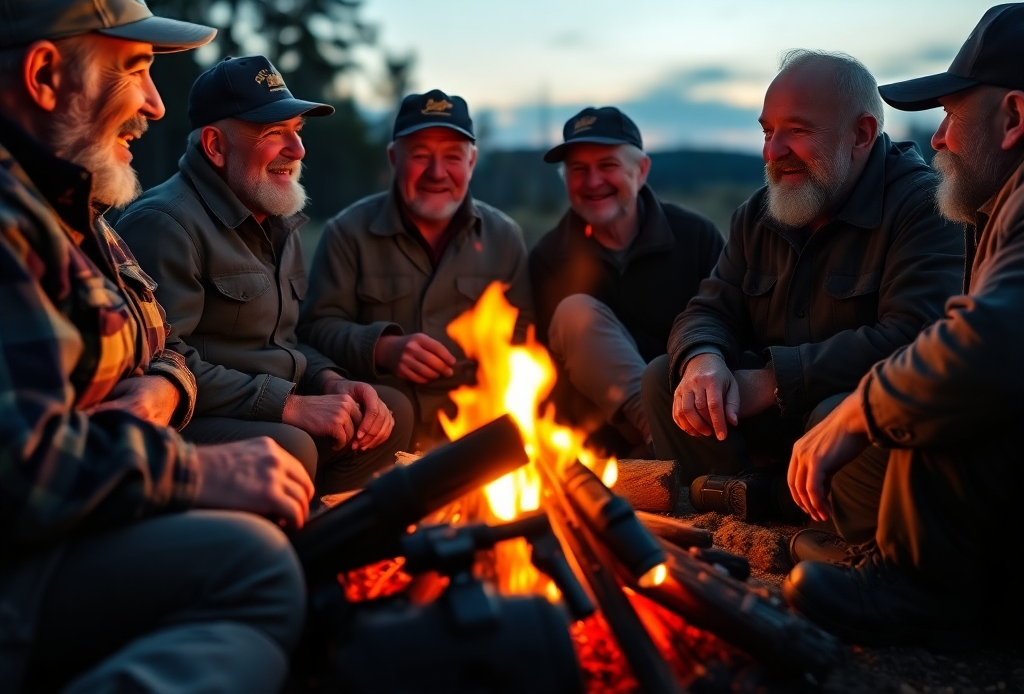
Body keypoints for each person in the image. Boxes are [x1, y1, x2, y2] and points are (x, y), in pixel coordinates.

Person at [0, 0, 309, 694]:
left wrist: (163, 391)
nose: (155, 103)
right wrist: (200, 468)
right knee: (258, 567)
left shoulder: (82, 214)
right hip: (26, 564)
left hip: (92, 514)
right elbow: (24, 471)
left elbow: (166, 342)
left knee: (297, 533)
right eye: (134, 68)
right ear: (44, 76)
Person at [641, 50, 963, 538]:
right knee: (666, 377)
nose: (773, 151)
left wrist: (774, 381)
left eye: (797, 130)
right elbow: (709, 308)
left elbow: (918, 338)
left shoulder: (925, 206)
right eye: (768, 132)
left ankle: (792, 514)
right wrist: (704, 360)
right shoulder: (758, 213)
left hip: (849, 429)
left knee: (836, 413)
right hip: (772, 429)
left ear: (861, 133)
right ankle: (739, 508)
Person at [784, 4, 1024, 644]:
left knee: (918, 402)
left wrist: (862, 408)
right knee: (844, 446)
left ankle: (930, 590)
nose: (938, 136)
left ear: (1014, 118)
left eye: (950, 113)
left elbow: (987, 344)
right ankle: (928, 557)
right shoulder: (996, 206)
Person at [118, 56, 414, 494]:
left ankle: (332, 533)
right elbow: (162, 364)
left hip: (265, 407)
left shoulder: (276, 214)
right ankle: (282, 550)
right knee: (291, 445)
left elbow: (284, 345)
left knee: (390, 409)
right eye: (274, 133)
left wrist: (331, 380)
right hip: (191, 420)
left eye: (298, 130)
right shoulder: (164, 223)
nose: (297, 150)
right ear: (215, 146)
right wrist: (290, 406)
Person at [298, 89, 532, 442]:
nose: (437, 173)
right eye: (421, 155)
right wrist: (382, 348)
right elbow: (312, 330)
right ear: (394, 159)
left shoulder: (504, 237)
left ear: (471, 162)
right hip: (380, 433)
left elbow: (525, 338)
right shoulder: (347, 233)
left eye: (453, 156)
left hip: (478, 431)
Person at [530, 106, 723, 451]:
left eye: (608, 165)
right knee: (574, 314)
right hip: (596, 443)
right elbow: (540, 370)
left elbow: (727, 325)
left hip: (698, 422)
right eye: (578, 169)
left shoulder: (696, 237)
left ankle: (673, 442)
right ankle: (662, 440)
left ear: (642, 170)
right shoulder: (548, 258)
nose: (593, 181)